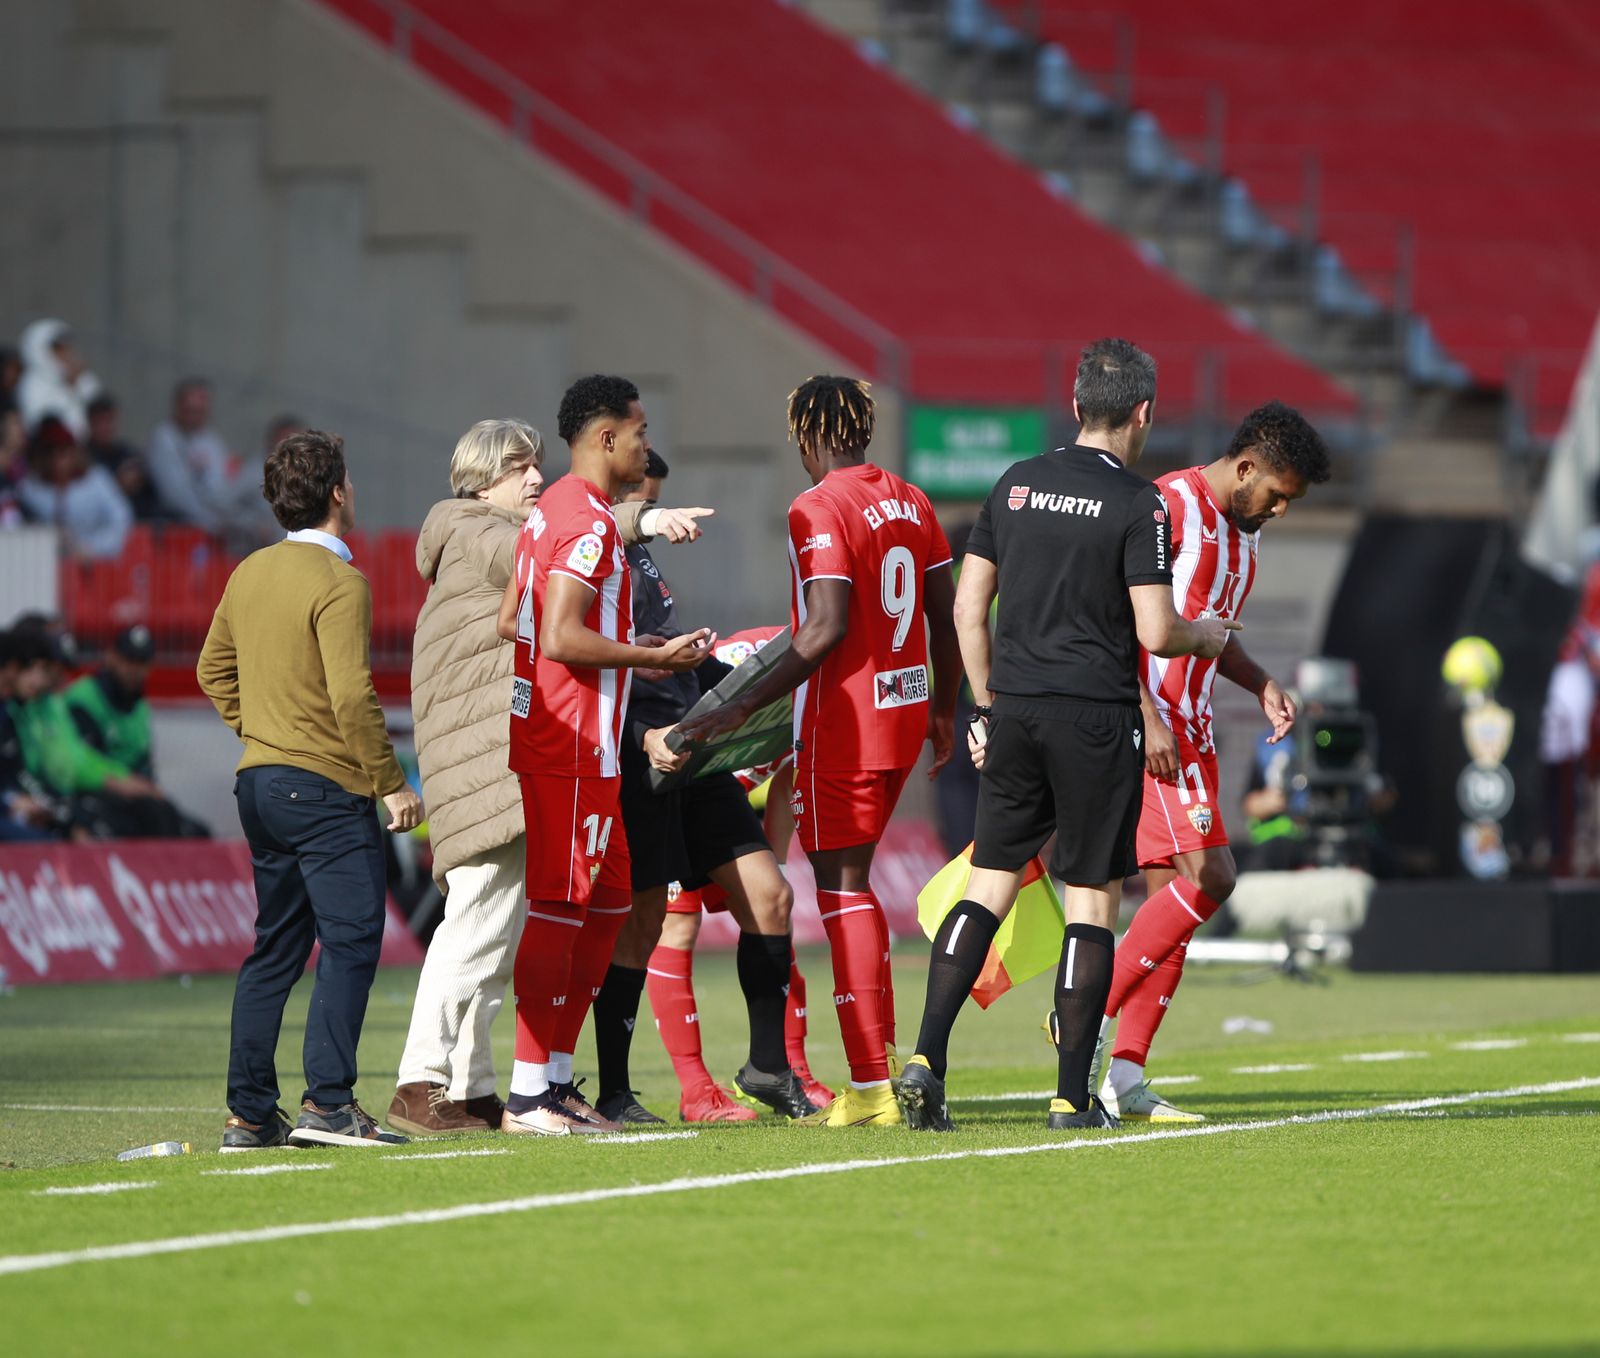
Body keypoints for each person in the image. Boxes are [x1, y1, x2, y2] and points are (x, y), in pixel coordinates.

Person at [897, 337, 1236, 1134]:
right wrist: (1209, 635)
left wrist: (986, 705)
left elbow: (967, 607)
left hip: (1015, 711)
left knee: (989, 886)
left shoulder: (1014, 483)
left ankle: (925, 1061)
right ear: (1144, 413)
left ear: (1078, 404)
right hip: (1096, 719)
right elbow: (1156, 631)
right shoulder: (1141, 503)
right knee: (1091, 903)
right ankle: (1069, 1099)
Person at [389, 420, 710, 1136]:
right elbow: (563, 540)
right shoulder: (470, 527)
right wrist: (642, 518)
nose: (535, 479)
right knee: (477, 923)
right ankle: (420, 1080)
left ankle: (471, 1086)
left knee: (504, 932)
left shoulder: (497, 529)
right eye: (518, 468)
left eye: (537, 465)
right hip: (486, 761)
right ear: (480, 482)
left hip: (501, 754)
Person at [680, 375, 961, 1129]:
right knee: (855, 886)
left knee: (842, 891)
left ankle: (871, 1087)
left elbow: (824, 625)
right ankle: (883, 1070)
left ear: (808, 435)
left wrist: (739, 705)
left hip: (846, 723)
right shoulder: (914, 500)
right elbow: (943, 615)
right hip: (904, 714)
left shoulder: (818, 506)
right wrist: (944, 708)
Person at [1073, 401, 1330, 1123]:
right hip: (1154, 731)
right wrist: (1147, 716)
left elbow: (1213, 634)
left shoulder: (1245, 534)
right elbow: (1113, 623)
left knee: (1173, 905)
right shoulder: (1166, 507)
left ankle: (1125, 1077)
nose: (1279, 510)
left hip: (1196, 730)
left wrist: (1261, 683)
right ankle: (1081, 1013)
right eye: (1276, 493)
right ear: (1245, 468)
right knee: (1213, 877)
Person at [494, 374, 712, 1136]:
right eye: (641, 431)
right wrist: (652, 659)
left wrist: (626, 648)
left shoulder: (554, 508)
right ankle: (528, 1093)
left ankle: (556, 1080)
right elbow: (556, 635)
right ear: (608, 437)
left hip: (576, 737)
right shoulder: (586, 521)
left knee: (612, 899)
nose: (648, 444)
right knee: (561, 907)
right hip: (570, 739)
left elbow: (511, 619)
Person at [198, 429, 423, 1151]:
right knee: (351, 941)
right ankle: (328, 1104)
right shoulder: (340, 581)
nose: (354, 491)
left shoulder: (249, 572)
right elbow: (353, 697)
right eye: (348, 480)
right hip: (324, 789)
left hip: (259, 785)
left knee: (275, 949)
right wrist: (391, 785)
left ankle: (249, 1115)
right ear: (334, 492)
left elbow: (211, 670)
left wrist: (263, 732)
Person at [588, 453, 811, 1126]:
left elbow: (665, 660)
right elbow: (578, 669)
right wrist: (640, 737)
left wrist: (743, 686)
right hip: (644, 762)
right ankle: (617, 1091)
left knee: (771, 896)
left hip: (695, 751)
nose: (651, 514)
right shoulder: (582, 561)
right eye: (642, 501)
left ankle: (768, 1066)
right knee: (647, 925)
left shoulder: (643, 561)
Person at [645, 628, 835, 1120]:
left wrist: (775, 868)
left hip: (730, 801)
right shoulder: (762, 657)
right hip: (682, 784)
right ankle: (694, 1089)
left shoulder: (829, 686)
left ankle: (789, 1070)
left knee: (773, 912)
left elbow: (786, 787)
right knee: (677, 924)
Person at [62, 624, 205, 838]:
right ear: (111, 657)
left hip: (134, 794)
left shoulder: (139, 706)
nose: (133, 670)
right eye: (128, 660)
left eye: (141, 663)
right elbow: (79, 762)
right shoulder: (83, 699)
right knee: (155, 817)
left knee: (197, 832)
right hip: (94, 792)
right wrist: (127, 782)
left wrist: (146, 787)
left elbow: (143, 762)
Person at [145, 377, 262, 539]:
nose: (196, 416)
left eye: (201, 411)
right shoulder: (163, 438)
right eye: (191, 410)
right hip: (175, 528)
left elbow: (222, 490)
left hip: (213, 526)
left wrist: (240, 520)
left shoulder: (211, 441)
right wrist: (212, 522)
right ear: (179, 406)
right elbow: (175, 495)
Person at [16, 415, 134, 559]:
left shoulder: (96, 481)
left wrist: (92, 548)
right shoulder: (29, 488)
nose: (57, 459)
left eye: (63, 451)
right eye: (50, 451)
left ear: (74, 452)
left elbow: (121, 518)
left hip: (94, 562)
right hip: (46, 562)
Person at [0, 630, 61, 842]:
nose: (39, 680)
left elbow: (13, 772)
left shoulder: (10, 711)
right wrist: (9, 802)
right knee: (40, 842)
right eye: (32, 669)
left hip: (15, 804)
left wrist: (36, 803)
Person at [15, 319, 101, 439]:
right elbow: (40, 420)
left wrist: (75, 383)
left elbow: (98, 408)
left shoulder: (80, 378)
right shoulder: (32, 384)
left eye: (66, 348)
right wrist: (70, 386)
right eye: (58, 348)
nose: (65, 353)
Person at [85, 394, 164, 522]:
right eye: (100, 421)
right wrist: (117, 486)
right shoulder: (82, 458)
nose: (106, 427)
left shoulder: (127, 453)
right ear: (90, 423)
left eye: (110, 420)